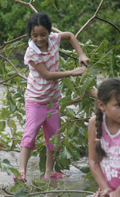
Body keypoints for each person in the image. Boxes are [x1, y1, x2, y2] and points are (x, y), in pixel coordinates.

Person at [16, 12, 89, 183]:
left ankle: (49, 171)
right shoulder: (31, 53)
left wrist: (81, 54)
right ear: (30, 35)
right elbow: (48, 75)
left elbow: (70, 36)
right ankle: (21, 172)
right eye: (35, 35)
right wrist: (72, 72)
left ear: (49, 32)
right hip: (35, 101)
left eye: (43, 35)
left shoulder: (55, 39)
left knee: (55, 136)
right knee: (30, 134)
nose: (39, 39)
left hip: (52, 100)